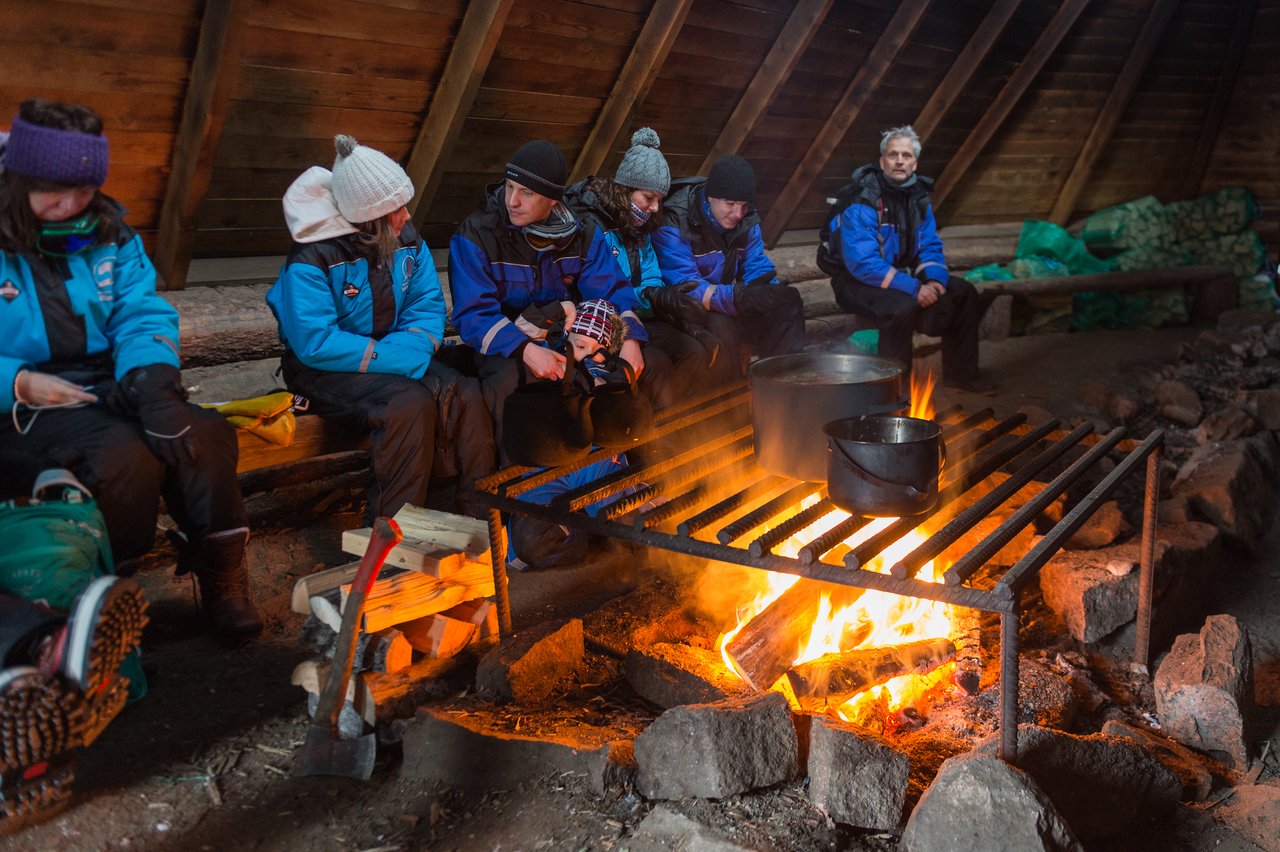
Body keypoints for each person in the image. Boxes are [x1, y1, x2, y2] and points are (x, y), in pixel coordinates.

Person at [0, 98, 261, 646]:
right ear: (21, 178)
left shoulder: (109, 234)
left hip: (105, 380)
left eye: (85, 190)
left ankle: (223, 576)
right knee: (124, 457)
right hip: (23, 402)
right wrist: (19, 383)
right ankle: (106, 597)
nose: (72, 204)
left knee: (202, 434)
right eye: (55, 190)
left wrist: (154, 383)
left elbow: (139, 314)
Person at [266, 135, 495, 521]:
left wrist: (414, 348)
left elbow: (426, 303)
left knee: (465, 392)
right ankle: (391, 537)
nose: (407, 215)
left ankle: (479, 521)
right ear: (369, 217)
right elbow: (315, 342)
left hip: (393, 353)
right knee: (406, 405)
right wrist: (393, 358)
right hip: (323, 369)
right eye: (396, 209)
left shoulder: (406, 239)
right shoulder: (313, 257)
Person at [448, 139, 672, 453]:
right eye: (510, 187)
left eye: (527, 193)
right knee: (509, 384)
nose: (513, 201)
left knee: (632, 364)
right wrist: (525, 349)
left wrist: (629, 340)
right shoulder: (476, 235)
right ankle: (514, 478)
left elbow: (611, 290)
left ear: (553, 201)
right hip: (502, 345)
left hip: (562, 335)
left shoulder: (580, 235)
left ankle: (613, 466)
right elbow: (473, 314)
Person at [820, 125, 993, 393]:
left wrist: (934, 281)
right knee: (900, 308)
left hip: (898, 276)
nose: (900, 160)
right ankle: (894, 391)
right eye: (893, 155)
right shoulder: (862, 199)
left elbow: (930, 246)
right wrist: (915, 288)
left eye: (906, 156)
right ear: (882, 161)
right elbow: (862, 264)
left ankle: (962, 375)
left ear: (914, 163)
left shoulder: (918, 200)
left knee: (964, 292)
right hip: (853, 282)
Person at [564, 129, 731, 404]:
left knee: (694, 351)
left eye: (659, 200)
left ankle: (680, 425)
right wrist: (648, 297)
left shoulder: (640, 229)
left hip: (638, 316)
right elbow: (602, 289)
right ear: (624, 190)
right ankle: (652, 436)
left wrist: (661, 296)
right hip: (605, 323)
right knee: (657, 362)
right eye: (648, 197)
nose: (655, 207)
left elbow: (651, 277)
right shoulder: (596, 226)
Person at [650, 154, 807, 372]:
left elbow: (755, 264)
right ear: (710, 196)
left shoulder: (746, 218)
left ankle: (783, 383)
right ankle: (732, 397)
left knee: (785, 304)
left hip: (727, 300)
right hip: (685, 312)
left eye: (744, 204)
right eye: (731, 204)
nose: (738, 213)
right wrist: (737, 297)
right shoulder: (676, 221)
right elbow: (685, 287)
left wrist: (767, 291)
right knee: (722, 326)